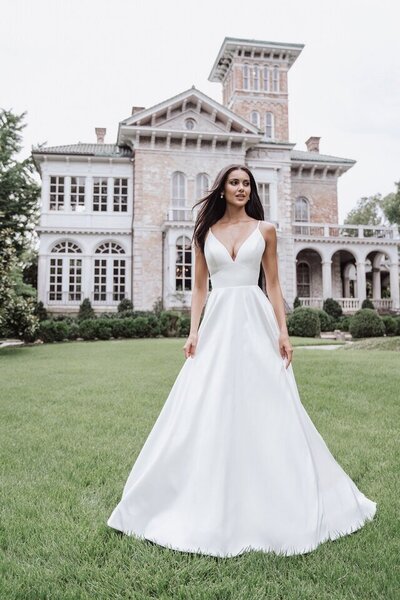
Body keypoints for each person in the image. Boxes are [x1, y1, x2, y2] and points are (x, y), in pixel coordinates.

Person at [107, 164, 376, 557]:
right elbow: (200, 287)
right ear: (221, 189)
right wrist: (193, 330)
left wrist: (283, 331)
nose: (242, 188)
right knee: (206, 401)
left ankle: (278, 492)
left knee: (267, 401)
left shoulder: (265, 230)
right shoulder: (205, 233)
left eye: (246, 184)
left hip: (254, 320)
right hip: (217, 322)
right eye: (234, 182)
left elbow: (274, 283)